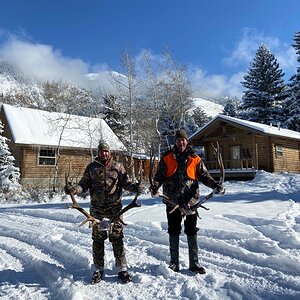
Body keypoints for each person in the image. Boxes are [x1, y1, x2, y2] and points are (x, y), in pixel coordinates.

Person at [65, 141, 143, 284]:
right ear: (98, 152)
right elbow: (83, 185)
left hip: (115, 210)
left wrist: (135, 188)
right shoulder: (91, 168)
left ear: (109, 152)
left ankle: (122, 269)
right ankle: (98, 269)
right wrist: (74, 190)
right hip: (97, 210)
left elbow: (126, 183)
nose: (104, 153)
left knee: (117, 239)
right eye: (101, 151)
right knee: (98, 240)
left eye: (106, 151)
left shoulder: (118, 167)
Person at [150, 129, 224, 274]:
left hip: (191, 202)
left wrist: (215, 185)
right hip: (172, 201)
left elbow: (204, 176)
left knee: (191, 230)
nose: (181, 142)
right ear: (175, 142)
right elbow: (159, 176)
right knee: (173, 230)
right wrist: (154, 187)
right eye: (178, 140)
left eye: (183, 140)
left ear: (187, 141)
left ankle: (194, 263)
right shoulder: (167, 157)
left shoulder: (195, 158)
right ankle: (174, 263)